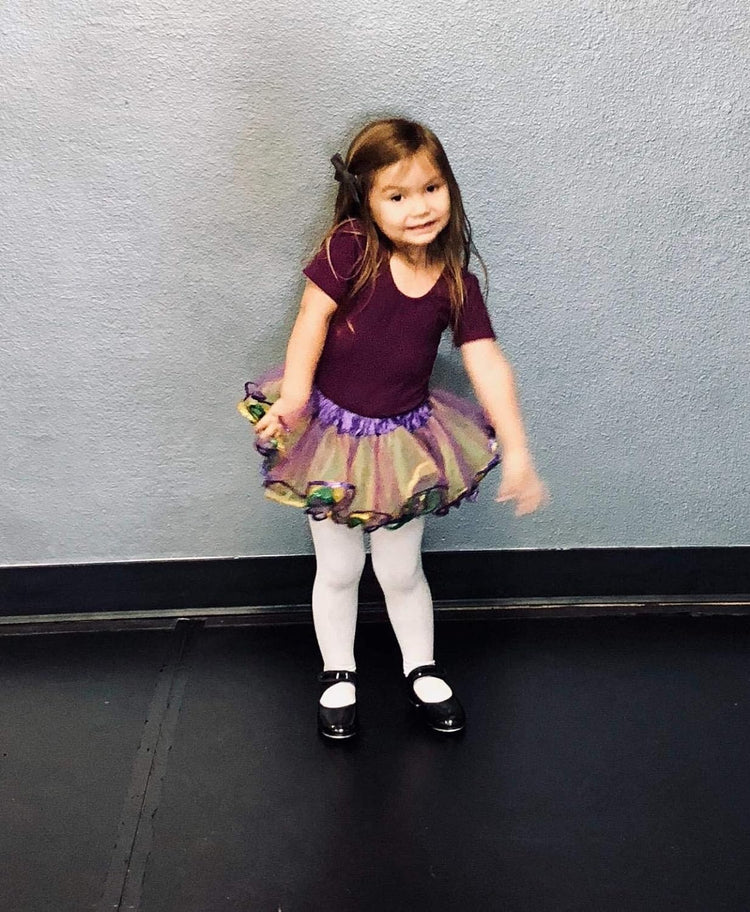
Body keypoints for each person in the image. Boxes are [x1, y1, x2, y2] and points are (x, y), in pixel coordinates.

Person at [238, 118, 547, 740]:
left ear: (449, 187)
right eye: (397, 195)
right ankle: (338, 671)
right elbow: (311, 318)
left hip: (406, 447)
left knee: (402, 571)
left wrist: (517, 450)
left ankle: (421, 666)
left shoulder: (455, 282)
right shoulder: (350, 248)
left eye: (431, 189)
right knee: (339, 568)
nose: (419, 208)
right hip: (330, 441)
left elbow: (486, 360)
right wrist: (295, 395)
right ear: (367, 201)